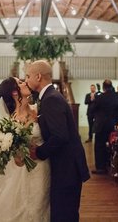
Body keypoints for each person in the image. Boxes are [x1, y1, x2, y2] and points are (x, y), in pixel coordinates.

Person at [26, 60, 90, 222]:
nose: (26, 80)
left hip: (66, 168)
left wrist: (39, 152)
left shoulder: (51, 99)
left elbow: (60, 136)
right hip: (65, 165)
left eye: (28, 76)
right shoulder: (50, 96)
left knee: (64, 214)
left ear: (38, 76)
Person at [0, 77, 51, 221]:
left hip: (44, 164)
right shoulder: (12, 121)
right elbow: (17, 160)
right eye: (20, 83)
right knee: (30, 206)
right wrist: (20, 150)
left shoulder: (37, 109)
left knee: (42, 204)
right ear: (14, 92)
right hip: (27, 169)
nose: (25, 82)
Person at [91, 79, 118, 174]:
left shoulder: (99, 97)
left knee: (99, 146)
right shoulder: (117, 96)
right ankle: (109, 164)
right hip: (112, 124)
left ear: (103, 87)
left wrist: (93, 100)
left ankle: (101, 167)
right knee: (111, 145)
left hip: (100, 125)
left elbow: (92, 109)